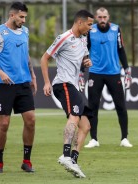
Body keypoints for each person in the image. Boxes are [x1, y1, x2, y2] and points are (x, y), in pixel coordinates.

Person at [0, 2, 37, 173]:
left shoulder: (25, 31)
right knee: (4, 124)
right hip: (5, 85)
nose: (24, 20)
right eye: (21, 17)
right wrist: (0, 72)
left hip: (24, 83)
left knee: (31, 120)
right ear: (12, 15)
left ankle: (26, 161)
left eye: (25, 17)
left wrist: (33, 74)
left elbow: (26, 54)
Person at [40, 10, 94, 178]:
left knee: (86, 126)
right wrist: (47, 82)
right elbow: (44, 58)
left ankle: (74, 161)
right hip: (63, 83)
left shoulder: (84, 39)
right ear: (80, 22)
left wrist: (86, 63)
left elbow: (83, 61)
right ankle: (65, 155)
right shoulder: (63, 38)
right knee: (75, 116)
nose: (91, 28)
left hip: (74, 86)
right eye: (89, 24)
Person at [83, 7, 133, 148]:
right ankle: (94, 139)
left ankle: (124, 138)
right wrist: (81, 72)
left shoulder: (116, 29)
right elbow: (84, 50)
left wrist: (127, 70)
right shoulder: (90, 31)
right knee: (92, 106)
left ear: (108, 17)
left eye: (104, 17)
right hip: (95, 73)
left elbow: (121, 50)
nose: (102, 20)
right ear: (96, 17)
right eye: (100, 17)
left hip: (113, 73)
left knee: (121, 106)